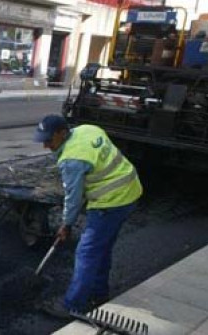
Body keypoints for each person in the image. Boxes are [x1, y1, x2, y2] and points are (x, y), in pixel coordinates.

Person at [34, 115, 142, 318]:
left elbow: (73, 198)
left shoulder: (71, 160)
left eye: (49, 140)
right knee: (102, 247)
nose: (46, 146)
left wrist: (66, 225)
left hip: (111, 202)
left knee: (87, 252)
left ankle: (73, 305)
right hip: (131, 189)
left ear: (62, 133)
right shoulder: (88, 129)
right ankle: (99, 293)